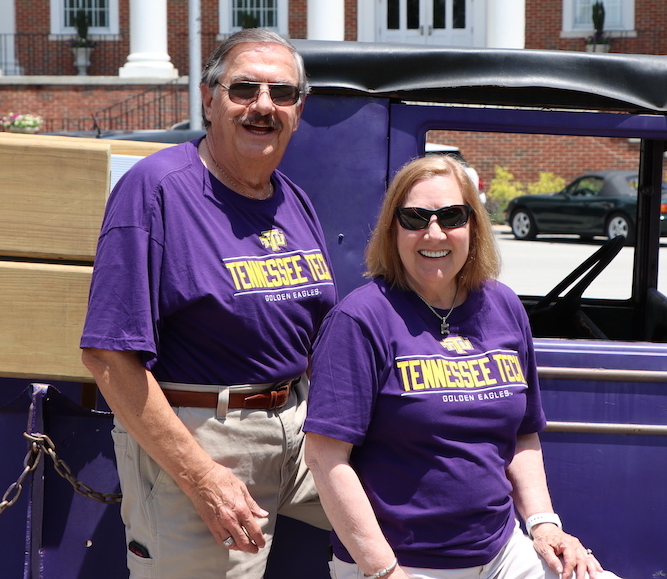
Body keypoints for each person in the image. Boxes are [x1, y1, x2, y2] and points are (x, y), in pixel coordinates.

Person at [81, 29, 337, 579]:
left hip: (298, 426)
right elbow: (107, 355)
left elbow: (315, 336)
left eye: (283, 94)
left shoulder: (292, 199)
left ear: (299, 109)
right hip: (205, 436)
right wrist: (202, 476)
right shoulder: (157, 189)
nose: (263, 106)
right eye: (245, 89)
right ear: (209, 97)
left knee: (402, 514)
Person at [304, 155, 621, 579]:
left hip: (501, 550)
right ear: (392, 228)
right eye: (415, 217)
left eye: (451, 215)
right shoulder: (360, 320)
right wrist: (384, 571)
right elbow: (326, 459)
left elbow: (522, 435)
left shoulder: (503, 305)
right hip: (401, 562)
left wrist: (544, 524)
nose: (433, 232)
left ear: (473, 225)